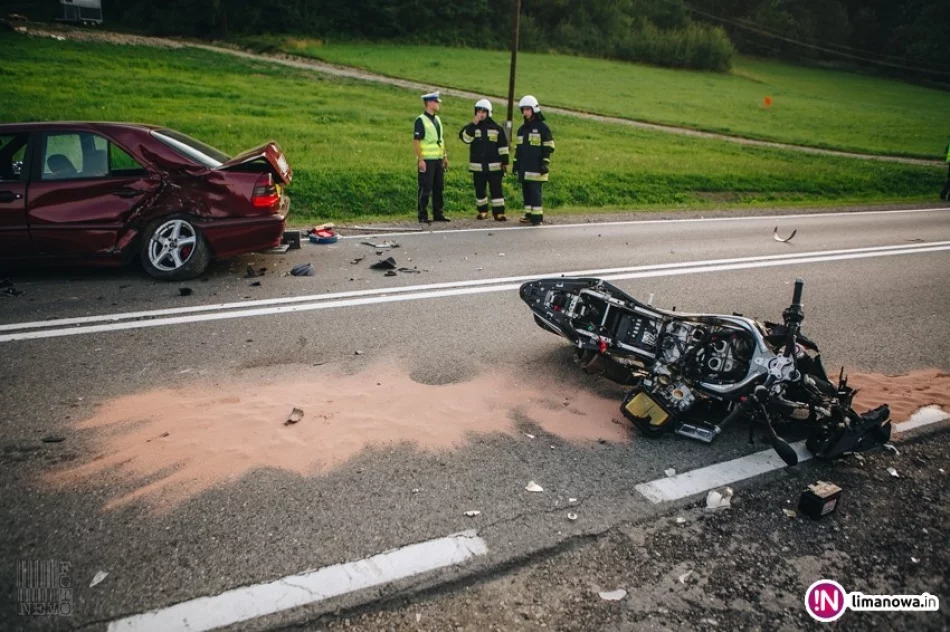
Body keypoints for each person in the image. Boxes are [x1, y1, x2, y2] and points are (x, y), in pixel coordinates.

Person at [458, 99, 510, 221]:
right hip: (478, 167)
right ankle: (482, 211)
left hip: (495, 167)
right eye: (478, 111)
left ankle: (499, 213)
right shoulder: (471, 128)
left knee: (496, 190)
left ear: (489, 113)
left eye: (483, 111)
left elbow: (503, 147)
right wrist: (473, 124)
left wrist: (505, 161)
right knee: (480, 190)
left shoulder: (497, 129)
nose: (481, 114)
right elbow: (465, 139)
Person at [513, 95, 554, 225]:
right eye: (523, 110)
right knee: (526, 192)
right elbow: (518, 149)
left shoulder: (543, 128)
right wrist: (515, 163)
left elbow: (549, 146)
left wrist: (545, 163)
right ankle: (528, 214)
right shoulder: (522, 130)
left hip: (537, 168)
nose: (525, 112)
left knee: (535, 193)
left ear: (534, 110)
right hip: (525, 168)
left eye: (527, 109)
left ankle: (537, 218)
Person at [413, 91, 450, 223]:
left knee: (438, 187)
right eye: (436, 101)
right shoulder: (421, 120)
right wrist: (421, 159)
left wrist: (444, 156)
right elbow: (416, 141)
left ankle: (438, 213)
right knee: (425, 187)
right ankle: (422, 214)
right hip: (427, 159)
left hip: (438, 159)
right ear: (429, 103)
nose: (438, 104)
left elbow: (441, 139)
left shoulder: (437, 119)